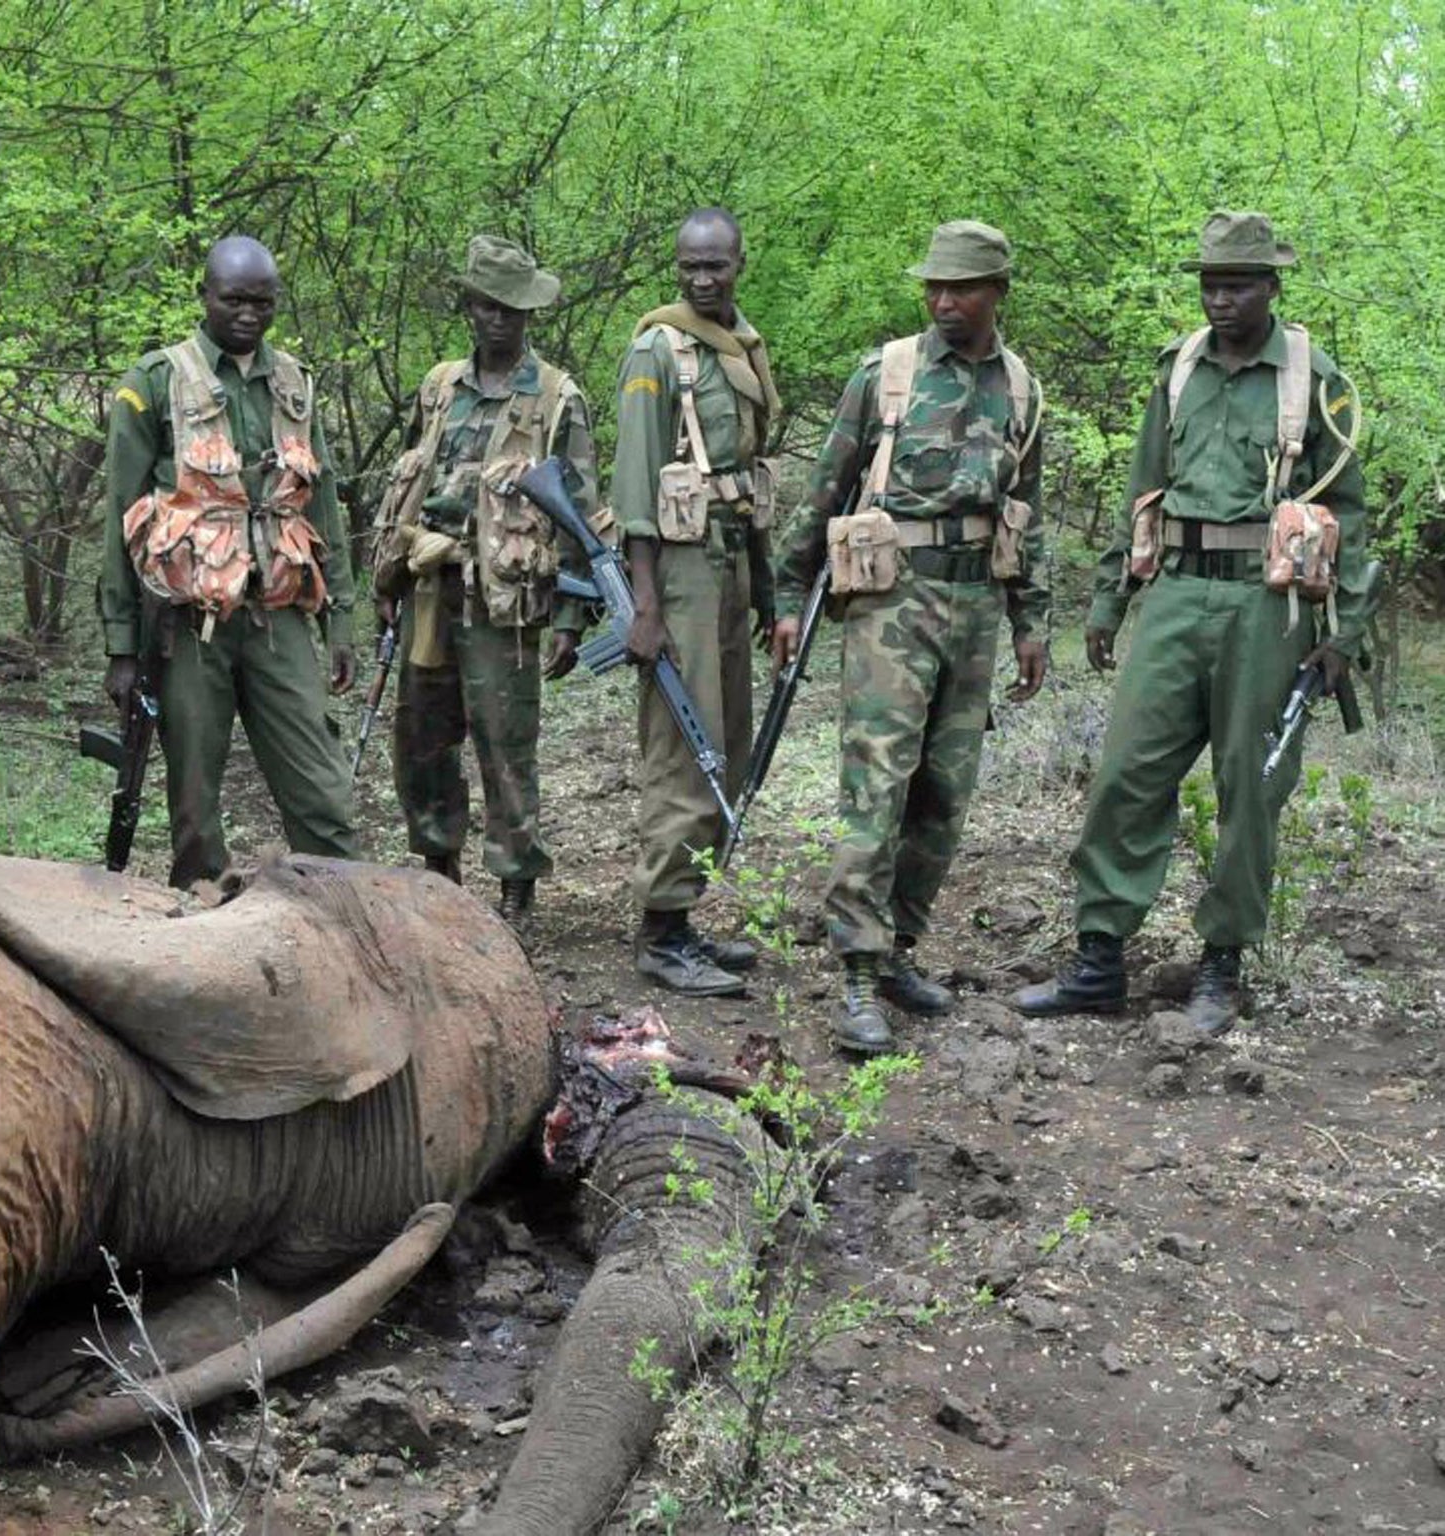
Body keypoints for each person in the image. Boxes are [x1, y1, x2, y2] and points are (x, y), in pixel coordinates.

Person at [1017, 211, 1368, 1036]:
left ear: (1272, 287)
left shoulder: (1317, 381)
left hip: (1267, 604)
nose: (1221, 298)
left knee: (1250, 787)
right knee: (1126, 774)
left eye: (1238, 283)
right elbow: (1143, 489)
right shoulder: (1176, 369)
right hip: (1176, 592)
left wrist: (1341, 635)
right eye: (1211, 283)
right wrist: (1111, 598)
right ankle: (1100, 957)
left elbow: (1349, 514)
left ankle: (1222, 965)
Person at [773, 220, 1048, 1054]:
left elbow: (1026, 514)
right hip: (893, 601)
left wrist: (1033, 621)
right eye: (934, 286)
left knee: (944, 793)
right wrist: (788, 594)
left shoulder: (1023, 389)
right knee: (877, 783)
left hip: (976, 607)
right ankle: (857, 973)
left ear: (998, 292)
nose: (943, 300)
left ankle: (899, 949)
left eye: (961, 287)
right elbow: (825, 487)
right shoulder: (885, 375)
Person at [101, 235, 361, 889]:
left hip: (279, 616)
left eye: (263, 302)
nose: (248, 313)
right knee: (194, 804)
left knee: (325, 794)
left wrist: (342, 622)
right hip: (189, 627)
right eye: (234, 299)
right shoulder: (153, 384)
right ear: (205, 295)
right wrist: (121, 649)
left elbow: (322, 508)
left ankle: (339, 917)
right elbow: (120, 519)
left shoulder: (295, 383)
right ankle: (203, 923)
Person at [370, 235, 605, 922]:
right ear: (468, 307)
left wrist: (570, 616)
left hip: (506, 598)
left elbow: (581, 512)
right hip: (430, 585)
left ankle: (514, 887)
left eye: (513, 309)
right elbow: (411, 484)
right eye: (487, 306)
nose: (500, 320)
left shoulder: (558, 398)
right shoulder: (440, 386)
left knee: (506, 745)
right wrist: (388, 586)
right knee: (420, 737)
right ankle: (438, 871)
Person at [612, 208, 780, 996]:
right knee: (683, 749)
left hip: (728, 564)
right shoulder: (658, 349)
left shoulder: (742, 347)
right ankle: (660, 931)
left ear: (741, 263)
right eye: (690, 266)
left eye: (716, 265)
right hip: (675, 572)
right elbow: (636, 481)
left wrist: (765, 586)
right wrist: (644, 604)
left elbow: (746, 479)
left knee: (727, 741)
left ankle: (685, 917)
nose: (702, 279)